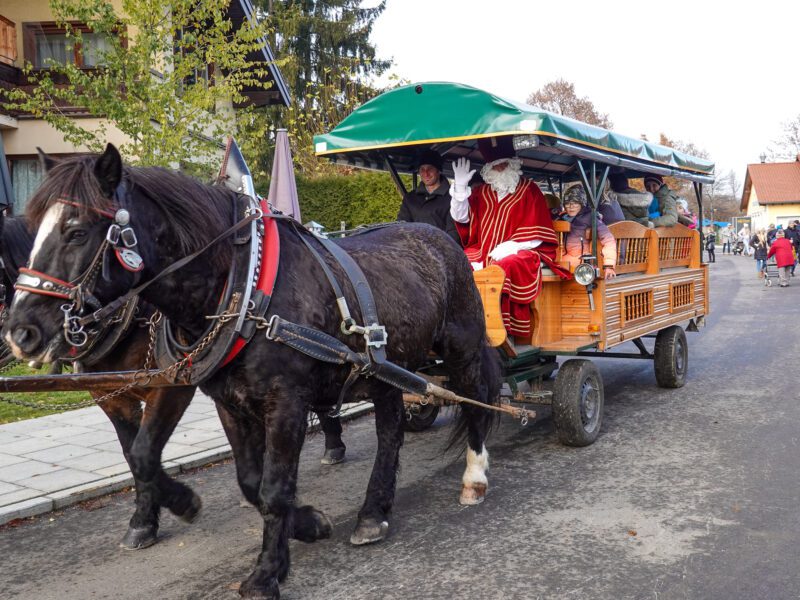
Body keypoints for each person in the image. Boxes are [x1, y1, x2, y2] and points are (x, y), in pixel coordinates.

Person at [449, 137, 565, 339]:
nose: (500, 168)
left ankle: (501, 326)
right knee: (458, 261)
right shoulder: (481, 192)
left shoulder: (530, 190)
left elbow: (539, 231)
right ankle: (463, 321)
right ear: (488, 168)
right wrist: (459, 189)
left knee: (507, 264)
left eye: (504, 164)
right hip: (483, 249)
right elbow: (462, 218)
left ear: (513, 164)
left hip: (524, 251)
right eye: (495, 165)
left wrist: (513, 245)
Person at [397, 149, 460, 243]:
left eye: (430, 169)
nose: (426, 173)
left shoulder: (452, 197)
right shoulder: (410, 198)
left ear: (438, 171)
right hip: (414, 250)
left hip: (441, 251)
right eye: (422, 169)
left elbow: (453, 232)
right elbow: (401, 226)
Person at [557, 184, 617, 278]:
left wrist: (609, 265)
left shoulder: (591, 217)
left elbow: (608, 240)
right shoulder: (561, 218)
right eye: (567, 203)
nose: (571, 206)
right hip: (564, 258)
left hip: (583, 260)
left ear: (582, 204)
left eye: (575, 203)